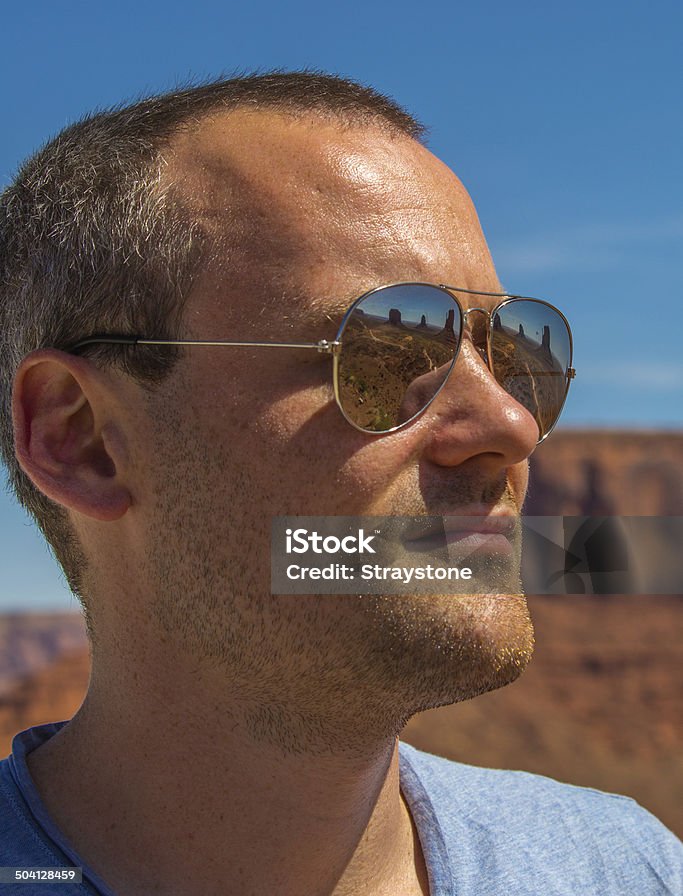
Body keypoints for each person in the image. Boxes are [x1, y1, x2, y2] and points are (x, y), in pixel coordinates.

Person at [0, 72, 680, 895]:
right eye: (382, 353)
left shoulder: (619, 867)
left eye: (514, 354)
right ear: (81, 440)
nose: (511, 426)